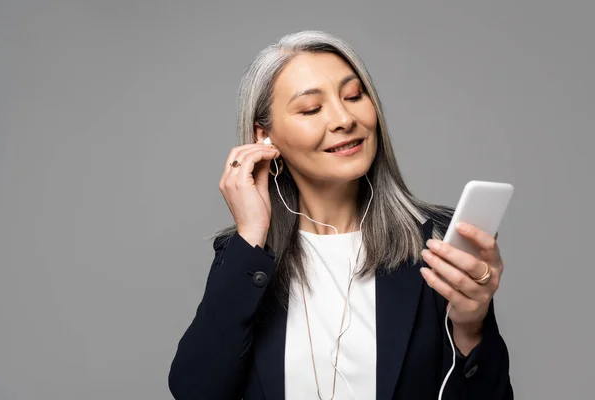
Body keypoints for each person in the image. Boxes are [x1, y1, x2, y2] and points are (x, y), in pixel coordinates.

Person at [168, 30, 513, 400]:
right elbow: (196, 390)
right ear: (264, 138)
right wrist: (251, 232)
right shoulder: (244, 257)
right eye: (311, 109)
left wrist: (471, 327)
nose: (344, 118)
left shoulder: (437, 243)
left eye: (353, 96)